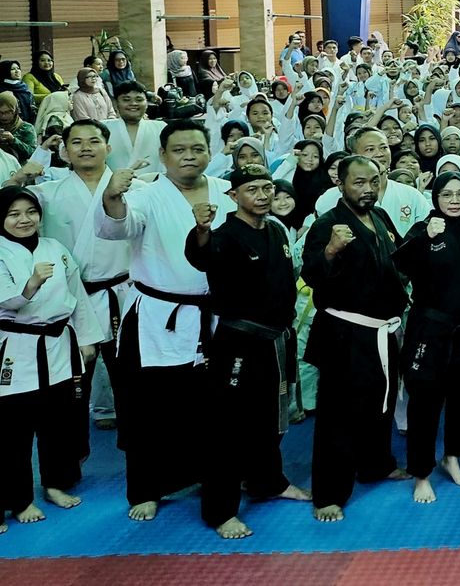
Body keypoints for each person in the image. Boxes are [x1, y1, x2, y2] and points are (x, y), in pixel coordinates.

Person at [95, 119, 235, 521]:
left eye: (197, 148)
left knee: (212, 407)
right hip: (157, 319)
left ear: (209, 151)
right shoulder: (147, 194)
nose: (189, 156)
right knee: (148, 410)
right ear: (162, 155)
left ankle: (210, 477)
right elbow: (118, 226)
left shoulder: (226, 192)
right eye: (179, 149)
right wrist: (113, 196)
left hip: (214, 317)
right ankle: (146, 488)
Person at [183, 165, 310, 538]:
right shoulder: (223, 236)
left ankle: (268, 481)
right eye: (252, 189)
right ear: (233, 195)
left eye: (267, 187)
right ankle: (220, 511)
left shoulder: (276, 230)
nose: (262, 195)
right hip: (239, 342)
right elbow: (201, 257)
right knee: (229, 427)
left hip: (275, 340)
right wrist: (200, 230)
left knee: (270, 418)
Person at [301, 155, 411, 522]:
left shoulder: (379, 217)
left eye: (373, 181)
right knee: (339, 415)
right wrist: (331, 249)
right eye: (359, 182)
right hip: (344, 332)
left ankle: (376, 465)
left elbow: (397, 262)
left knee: (381, 402)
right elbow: (311, 273)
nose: (368, 189)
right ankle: (328, 494)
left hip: (381, 328)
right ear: (341, 184)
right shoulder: (327, 224)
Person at [392, 172, 460, 505]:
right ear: (436, 198)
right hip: (430, 330)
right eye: (447, 194)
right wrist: (425, 236)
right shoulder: (423, 230)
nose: (455, 200)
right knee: (424, 404)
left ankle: (452, 457)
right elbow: (399, 264)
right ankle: (421, 473)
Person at [0, 186, 102, 534]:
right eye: (14, 214)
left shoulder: (55, 248)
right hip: (16, 347)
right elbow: (8, 301)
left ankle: (56, 483)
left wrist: (86, 338)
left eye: (31, 212)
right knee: (13, 430)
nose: (24, 220)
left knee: (58, 422)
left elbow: (77, 296)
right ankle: (18, 499)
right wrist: (31, 284)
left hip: (59, 344)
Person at [29, 120, 139, 438]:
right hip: (70, 300)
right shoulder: (47, 193)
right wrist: (25, 172)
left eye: (94, 141)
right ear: (65, 151)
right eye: (76, 142)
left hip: (120, 293)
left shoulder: (134, 189)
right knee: (73, 382)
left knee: (128, 378)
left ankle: (137, 446)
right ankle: (72, 452)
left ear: (108, 147)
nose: (86, 147)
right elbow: (8, 205)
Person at [107, 82, 165, 172]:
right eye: (126, 100)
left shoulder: (161, 127)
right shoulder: (103, 128)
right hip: (113, 180)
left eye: (139, 99)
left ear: (146, 104)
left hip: (154, 180)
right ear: (116, 104)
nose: (133, 103)